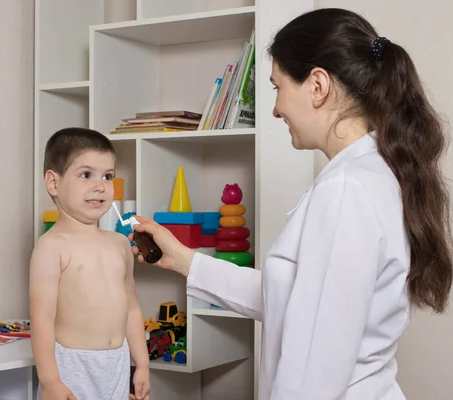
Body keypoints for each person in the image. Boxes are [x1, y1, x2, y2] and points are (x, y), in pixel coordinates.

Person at [129, 8, 453, 400]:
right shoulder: (373, 175)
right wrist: (182, 258)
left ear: (317, 85)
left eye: (278, 87)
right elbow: (294, 299)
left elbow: (313, 371)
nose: (275, 108)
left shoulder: (346, 189)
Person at [30, 127, 151, 400]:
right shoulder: (51, 246)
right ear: (53, 182)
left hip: (117, 362)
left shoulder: (119, 244)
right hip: (72, 367)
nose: (100, 186)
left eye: (107, 176)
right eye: (86, 175)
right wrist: (50, 381)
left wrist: (141, 364)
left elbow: (131, 307)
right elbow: (42, 320)